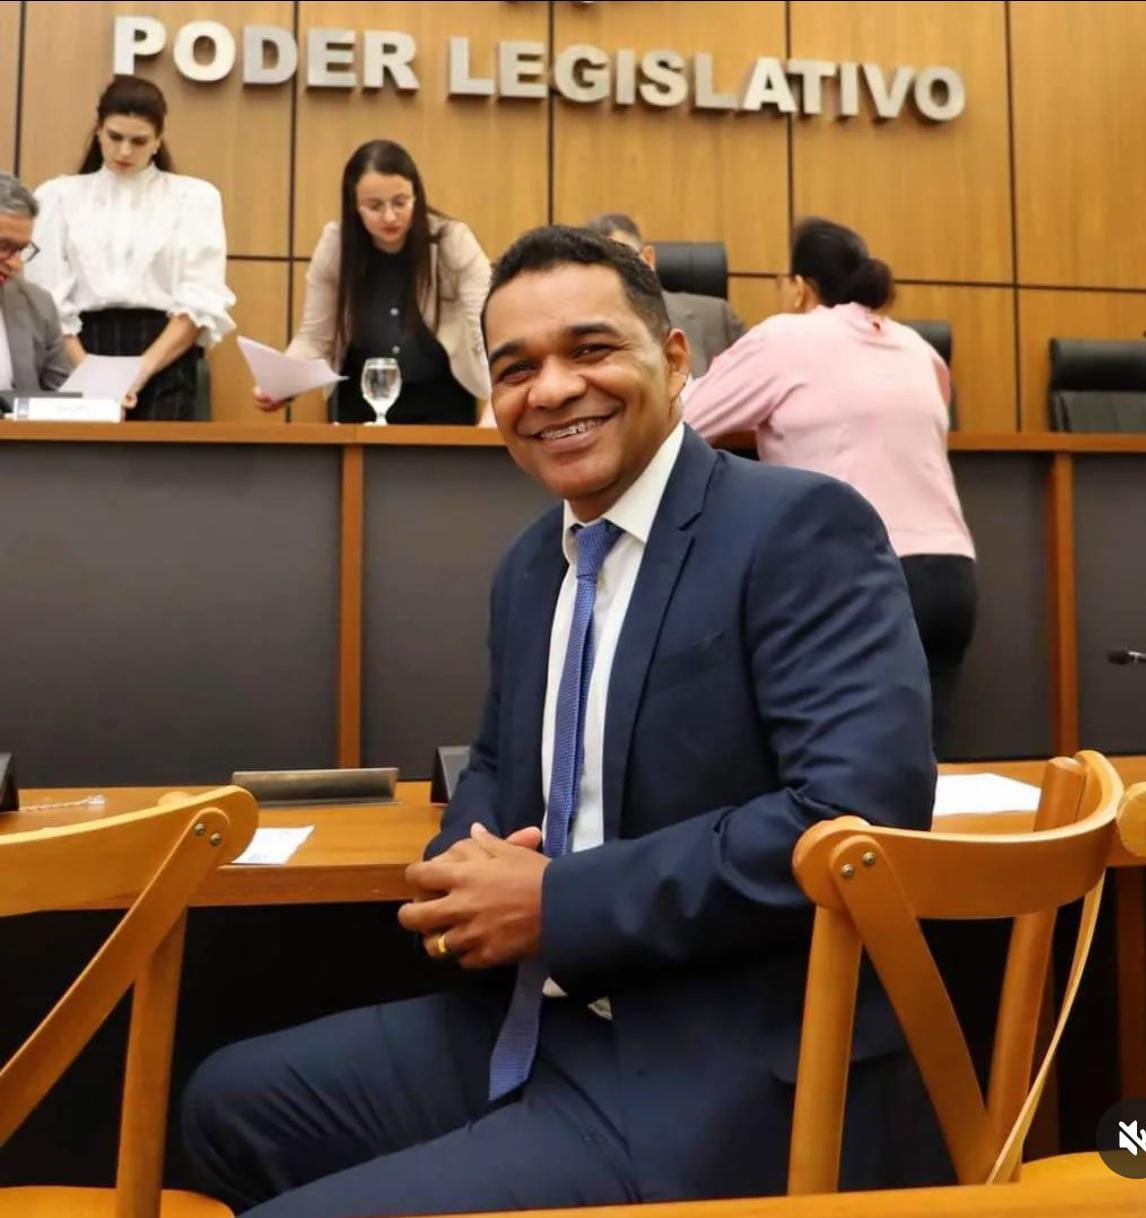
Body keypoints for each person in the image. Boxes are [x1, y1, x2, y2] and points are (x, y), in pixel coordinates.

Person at [182, 225, 943, 1217]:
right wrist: (466, 875)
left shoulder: (797, 526)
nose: (549, 390)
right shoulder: (532, 566)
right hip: (537, 1018)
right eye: (515, 369)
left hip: (715, 1066)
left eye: (589, 350)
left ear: (675, 359)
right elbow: (499, 767)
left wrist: (558, 904)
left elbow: (856, 816)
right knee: (227, 1106)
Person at [684, 217, 977, 754]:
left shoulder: (785, 337)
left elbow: (682, 421)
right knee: (927, 762)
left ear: (800, 287)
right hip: (950, 575)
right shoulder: (919, 348)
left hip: (857, 571)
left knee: (847, 760)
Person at [26, 75, 234, 420]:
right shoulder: (57, 196)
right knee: (78, 455)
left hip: (165, 357)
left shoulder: (195, 197)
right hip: (77, 351)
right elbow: (46, 299)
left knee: (159, 454)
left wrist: (139, 373)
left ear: (158, 140)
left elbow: (200, 299)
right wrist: (91, 376)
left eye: (139, 141)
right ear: (98, 131)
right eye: (115, 137)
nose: (125, 151)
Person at [257, 140, 490, 424]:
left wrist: (498, 398)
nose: (389, 216)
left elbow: (485, 330)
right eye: (374, 206)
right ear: (354, 205)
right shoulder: (336, 246)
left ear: (417, 196)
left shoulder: (452, 241)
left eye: (400, 202)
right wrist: (283, 381)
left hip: (444, 401)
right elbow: (315, 338)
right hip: (360, 404)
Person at [586, 212, 744, 377]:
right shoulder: (583, 334)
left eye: (622, 262)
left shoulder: (716, 317)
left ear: (648, 260)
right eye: (597, 268)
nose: (612, 276)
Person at [0, 173, 71, 396]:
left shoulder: (39, 305)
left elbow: (59, 400)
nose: (15, 263)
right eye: (3, 246)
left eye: (21, 250)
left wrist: (102, 406)